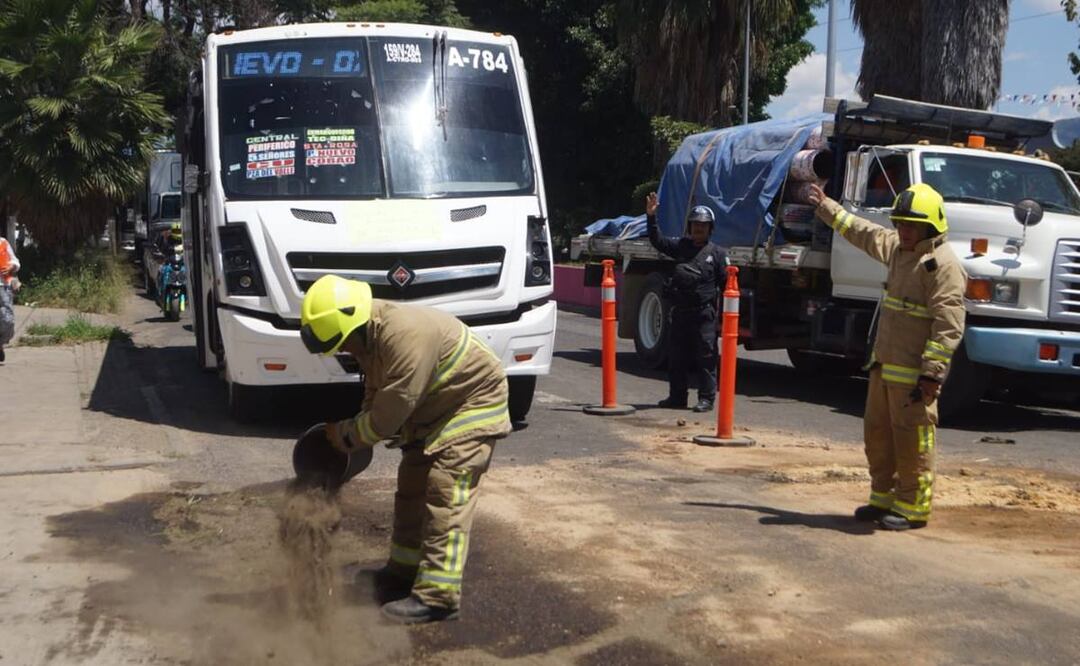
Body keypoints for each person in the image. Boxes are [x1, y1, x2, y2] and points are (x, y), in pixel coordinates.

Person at [300, 275, 511, 623]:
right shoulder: (371, 337)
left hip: (471, 406)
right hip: (433, 411)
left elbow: (391, 412)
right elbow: (377, 394)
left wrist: (348, 436)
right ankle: (402, 573)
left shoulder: (405, 335)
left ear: (354, 324)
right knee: (411, 487)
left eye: (342, 344)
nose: (344, 351)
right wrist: (357, 423)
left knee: (446, 492)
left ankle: (438, 596)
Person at [807, 182, 966, 531]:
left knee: (913, 440)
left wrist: (931, 374)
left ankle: (912, 506)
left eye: (911, 224)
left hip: (914, 376)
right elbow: (863, 231)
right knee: (878, 435)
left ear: (931, 225)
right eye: (900, 223)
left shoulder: (942, 266)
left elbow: (948, 325)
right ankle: (882, 497)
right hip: (885, 367)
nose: (903, 230)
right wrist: (826, 207)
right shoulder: (898, 249)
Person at [644, 192, 728, 412]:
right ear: (689, 228)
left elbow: (727, 285)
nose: (698, 229)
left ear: (710, 229)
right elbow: (657, 241)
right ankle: (677, 397)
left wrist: (725, 318)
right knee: (676, 357)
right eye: (695, 225)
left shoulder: (718, 254)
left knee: (706, 358)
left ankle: (707, 399)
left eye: (703, 226)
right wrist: (651, 217)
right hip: (680, 312)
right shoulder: (681, 246)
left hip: (704, 315)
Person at [0, 234, 21, 364]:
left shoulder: (2, 242)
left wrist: (11, 267)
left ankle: (0, 343)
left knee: (8, 320)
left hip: (4, 286)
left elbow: (15, 261)